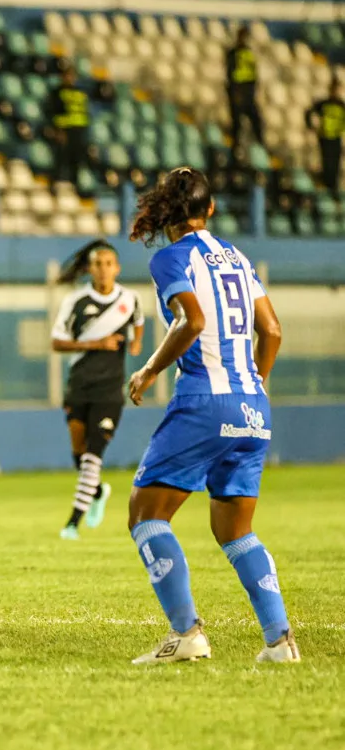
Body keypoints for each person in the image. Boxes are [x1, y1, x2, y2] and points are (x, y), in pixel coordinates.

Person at [125, 166, 298, 664]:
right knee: (236, 530)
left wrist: (151, 368)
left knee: (146, 513)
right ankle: (280, 641)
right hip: (253, 406)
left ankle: (187, 634)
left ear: (166, 211)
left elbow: (193, 320)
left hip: (205, 401)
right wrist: (253, 390)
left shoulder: (170, 259)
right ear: (211, 210)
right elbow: (274, 331)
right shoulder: (239, 258)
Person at [51, 240, 144, 540]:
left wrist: (137, 343)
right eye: (97, 264)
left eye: (108, 264)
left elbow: (138, 322)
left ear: (117, 268)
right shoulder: (75, 301)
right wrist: (96, 343)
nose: (103, 270)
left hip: (109, 392)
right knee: (78, 452)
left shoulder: (130, 299)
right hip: (78, 386)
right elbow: (56, 342)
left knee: (93, 454)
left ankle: (72, 523)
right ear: (89, 269)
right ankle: (98, 491)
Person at [48, 67, 90, 184]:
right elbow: (53, 111)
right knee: (60, 159)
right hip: (64, 129)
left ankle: (74, 184)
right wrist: (58, 130)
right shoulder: (57, 92)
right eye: (68, 76)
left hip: (78, 130)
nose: (70, 79)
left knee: (76, 161)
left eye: (72, 76)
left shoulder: (80, 92)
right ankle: (55, 183)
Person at [305, 80, 345, 198]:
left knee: (335, 166)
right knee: (327, 163)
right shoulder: (324, 103)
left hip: (336, 138)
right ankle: (326, 188)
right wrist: (311, 126)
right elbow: (309, 112)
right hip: (325, 137)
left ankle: (333, 191)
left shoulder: (341, 105)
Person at [226, 26, 263, 146]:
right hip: (238, 90)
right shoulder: (234, 52)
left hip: (248, 90)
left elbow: (254, 72)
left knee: (256, 120)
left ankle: (259, 144)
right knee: (237, 123)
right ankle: (236, 148)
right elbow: (230, 72)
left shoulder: (249, 52)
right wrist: (234, 91)